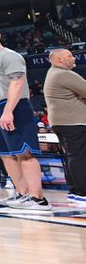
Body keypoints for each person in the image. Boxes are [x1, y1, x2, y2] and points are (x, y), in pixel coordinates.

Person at [0, 27, 51, 210]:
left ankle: (38, 199)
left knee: (24, 153)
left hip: (14, 106)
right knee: (7, 155)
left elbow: (17, 82)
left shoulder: (9, 56)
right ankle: (23, 194)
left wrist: (8, 110)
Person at [44, 49, 86, 205]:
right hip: (73, 122)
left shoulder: (53, 73)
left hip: (63, 122)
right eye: (70, 55)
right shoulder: (64, 74)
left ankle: (75, 191)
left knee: (73, 156)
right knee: (79, 156)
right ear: (59, 59)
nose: (73, 58)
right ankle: (83, 192)